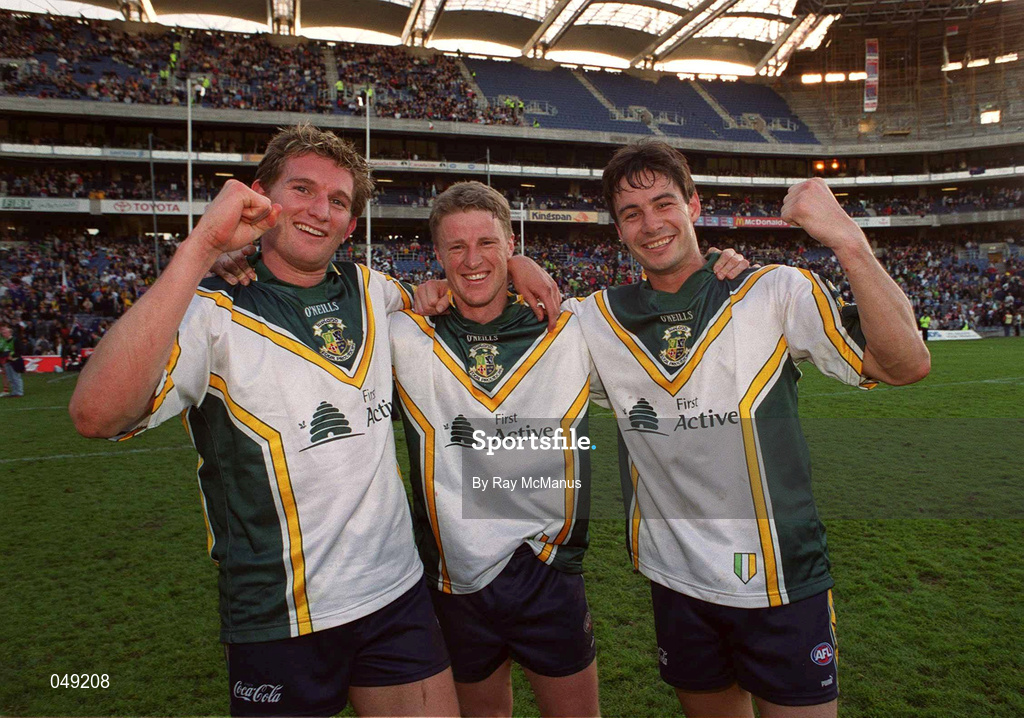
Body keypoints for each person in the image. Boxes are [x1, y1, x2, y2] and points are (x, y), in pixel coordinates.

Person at [69, 124, 464, 718]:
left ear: (351, 223)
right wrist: (203, 245)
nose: (319, 210)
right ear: (261, 198)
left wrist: (520, 266)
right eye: (301, 190)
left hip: (397, 594)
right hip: (278, 615)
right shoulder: (210, 311)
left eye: (337, 201)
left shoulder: (373, 289)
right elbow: (96, 414)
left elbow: (441, 294)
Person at [565, 140, 930, 718]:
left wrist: (847, 240)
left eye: (664, 203)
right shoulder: (593, 319)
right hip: (676, 578)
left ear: (694, 204)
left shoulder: (774, 290)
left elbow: (905, 365)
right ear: (617, 230)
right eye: (631, 213)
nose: (651, 223)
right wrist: (513, 260)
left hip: (781, 578)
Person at [391, 182, 601, 717]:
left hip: (548, 571)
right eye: (455, 248)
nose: (472, 260)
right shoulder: (406, 337)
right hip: (456, 579)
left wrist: (721, 258)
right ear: (436, 256)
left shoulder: (569, 328)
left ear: (511, 244)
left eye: (487, 242)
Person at [1, 324, 26, 398]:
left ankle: (19, 392)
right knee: (10, 378)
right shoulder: (3, 341)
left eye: (5, 333)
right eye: (3, 333)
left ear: (9, 333)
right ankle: (14, 392)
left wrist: (12, 355)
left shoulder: (15, 340)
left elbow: (21, 350)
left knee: (16, 377)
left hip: (15, 361)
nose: (3, 334)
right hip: (6, 361)